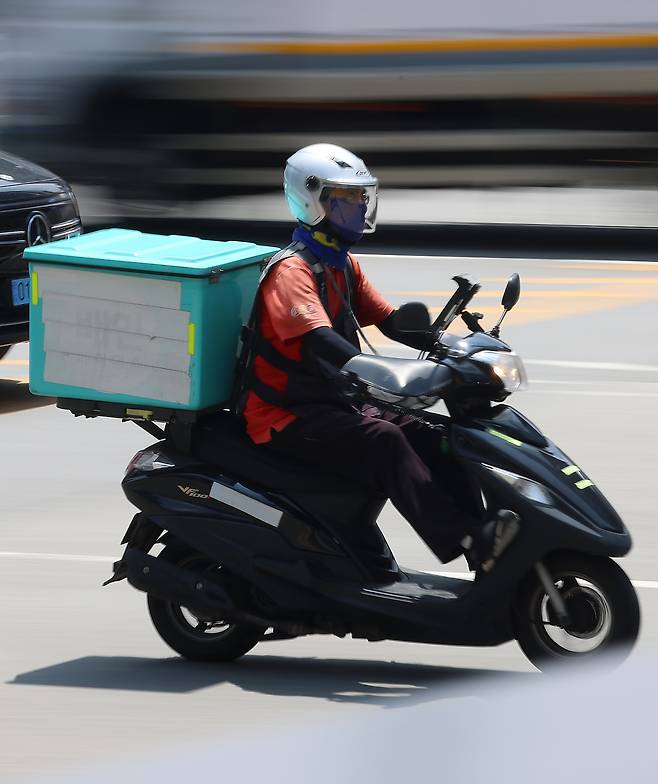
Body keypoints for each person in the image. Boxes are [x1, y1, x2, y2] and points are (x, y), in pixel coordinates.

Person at [237, 143, 518, 571]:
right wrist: (387, 375)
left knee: (437, 435)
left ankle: (484, 546)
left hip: (331, 403)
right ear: (313, 201)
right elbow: (320, 343)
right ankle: (465, 538)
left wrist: (452, 351)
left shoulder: (342, 265)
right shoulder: (291, 273)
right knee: (385, 441)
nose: (357, 209)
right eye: (345, 200)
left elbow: (389, 321)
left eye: (359, 199)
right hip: (284, 416)